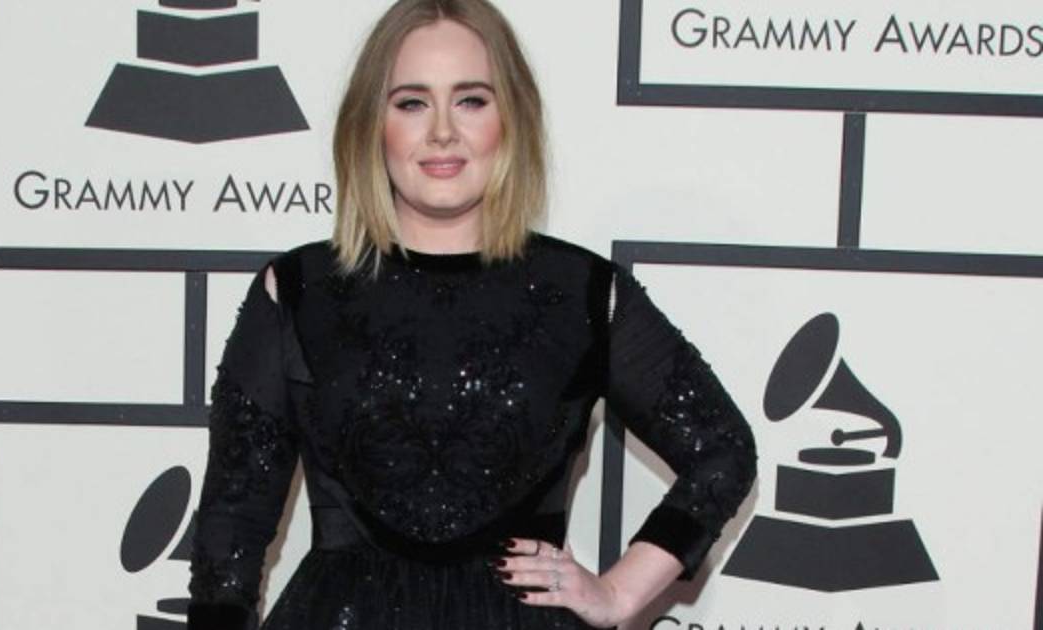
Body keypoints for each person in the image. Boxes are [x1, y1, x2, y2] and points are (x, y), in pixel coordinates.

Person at [186, 0, 757, 628]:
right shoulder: (298, 290)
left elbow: (723, 450)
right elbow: (231, 524)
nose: (441, 132)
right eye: (411, 102)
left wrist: (619, 593)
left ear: (511, 117)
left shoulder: (584, 292)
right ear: (370, 123)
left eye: (471, 100)